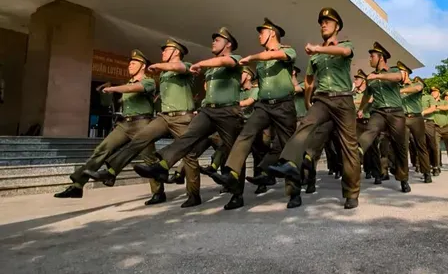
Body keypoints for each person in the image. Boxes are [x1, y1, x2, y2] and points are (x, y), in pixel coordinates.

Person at [133, 28, 247, 205]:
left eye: (218, 39)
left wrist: (202, 64)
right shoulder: (210, 70)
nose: (214, 42)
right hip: (208, 111)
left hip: (228, 112)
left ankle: (237, 194)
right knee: (188, 136)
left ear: (229, 44)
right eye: (214, 39)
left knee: (233, 151)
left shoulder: (235, 59)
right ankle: (162, 165)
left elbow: (226, 61)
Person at [84, 39, 201, 208]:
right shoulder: (164, 73)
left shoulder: (186, 67)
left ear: (176, 52)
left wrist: (159, 66)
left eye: (166, 50)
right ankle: (111, 171)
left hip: (182, 118)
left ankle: (193, 195)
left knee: (189, 156)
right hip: (163, 117)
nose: (162, 53)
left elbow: (179, 67)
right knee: (140, 138)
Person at [267, 8, 361, 210]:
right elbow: (309, 81)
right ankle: (289, 162)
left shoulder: (345, 45)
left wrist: (318, 49)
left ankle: (352, 193)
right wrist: (309, 101)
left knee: (349, 148)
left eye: (328, 21)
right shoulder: (315, 58)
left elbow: (344, 52)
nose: (323, 25)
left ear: (337, 26)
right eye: (321, 22)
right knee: (305, 125)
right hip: (323, 100)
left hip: (344, 100)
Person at [54, 50, 165, 205]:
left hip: (142, 124)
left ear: (143, 66)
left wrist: (114, 88)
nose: (129, 66)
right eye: (129, 63)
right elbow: (115, 101)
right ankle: (77, 185)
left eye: (133, 63)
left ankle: (158, 192)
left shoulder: (149, 82)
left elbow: (133, 89)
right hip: (124, 124)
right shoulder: (128, 83)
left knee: (149, 158)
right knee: (102, 149)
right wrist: (104, 93)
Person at [213, 18, 298, 211]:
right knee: (246, 134)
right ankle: (231, 172)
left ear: (272, 33)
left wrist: (252, 58)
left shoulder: (288, 50)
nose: (259, 36)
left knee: (288, 149)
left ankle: (294, 192)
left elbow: (276, 57)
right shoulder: (261, 61)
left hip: (284, 105)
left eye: (262, 32)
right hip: (264, 106)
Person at [357, 42, 411, 194]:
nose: (370, 59)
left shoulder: (394, 70)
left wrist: (379, 75)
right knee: (371, 129)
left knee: (400, 146)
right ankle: (357, 151)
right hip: (379, 112)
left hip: (396, 113)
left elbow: (398, 77)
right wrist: (361, 109)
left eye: (372, 56)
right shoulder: (370, 77)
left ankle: (403, 179)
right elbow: (367, 95)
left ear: (381, 58)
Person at [397, 63, 432, 183]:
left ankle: (426, 172)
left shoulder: (416, 83)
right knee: (402, 148)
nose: (398, 74)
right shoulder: (395, 86)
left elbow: (417, 89)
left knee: (421, 145)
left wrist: (401, 91)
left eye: (401, 72)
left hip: (417, 118)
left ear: (406, 73)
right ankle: (404, 178)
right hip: (403, 119)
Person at [353, 69, 380, 181]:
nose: (355, 80)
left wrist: (358, 105)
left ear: (364, 81)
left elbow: (370, 100)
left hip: (370, 121)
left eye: (357, 79)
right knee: (360, 148)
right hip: (357, 123)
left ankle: (377, 174)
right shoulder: (353, 93)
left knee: (373, 148)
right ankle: (366, 171)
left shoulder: (370, 91)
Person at [422, 86, 441, 176]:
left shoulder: (428, 98)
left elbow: (433, 108)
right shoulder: (412, 97)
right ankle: (425, 168)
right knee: (421, 146)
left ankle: (435, 166)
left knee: (432, 145)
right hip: (417, 122)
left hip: (428, 122)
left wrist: (422, 112)